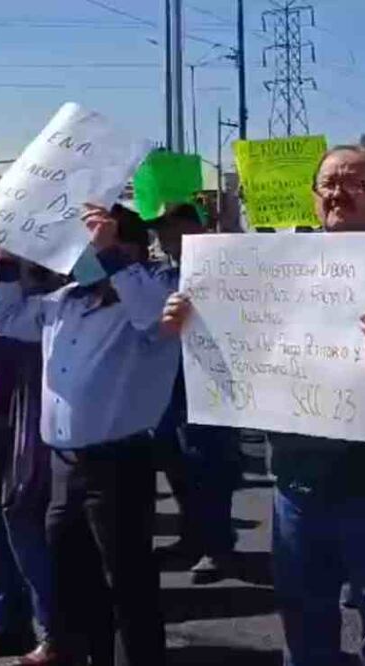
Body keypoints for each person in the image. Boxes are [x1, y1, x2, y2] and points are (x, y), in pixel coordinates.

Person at [162, 145, 365, 666]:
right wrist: (192, 321)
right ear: (314, 195)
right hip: (295, 480)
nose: (338, 194)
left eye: (354, 183)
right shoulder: (276, 264)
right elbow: (240, 340)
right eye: (328, 184)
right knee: (303, 620)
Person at [0, 204, 179, 666]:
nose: (83, 256)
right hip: (64, 464)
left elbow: (154, 317)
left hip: (118, 462)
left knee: (128, 583)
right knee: (76, 582)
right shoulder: (64, 301)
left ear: (128, 248)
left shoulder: (156, 293)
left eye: (92, 245)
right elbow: (2, 318)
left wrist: (111, 253)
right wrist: (9, 258)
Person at [151, 203, 243, 582]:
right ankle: (192, 537)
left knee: (210, 466)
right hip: (169, 385)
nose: (163, 236)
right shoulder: (161, 274)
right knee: (177, 464)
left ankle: (217, 547)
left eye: (170, 227)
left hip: (211, 383)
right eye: (160, 229)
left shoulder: (223, 269)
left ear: (193, 228)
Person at [0, 260, 66, 666]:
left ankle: (54, 631)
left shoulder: (58, 269)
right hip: (4, 402)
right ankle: (8, 616)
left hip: (35, 400)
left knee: (25, 511)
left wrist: (11, 265)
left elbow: (8, 318)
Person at [0, 251, 35, 661]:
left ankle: (19, 620)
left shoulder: (17, 266)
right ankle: (4, 613)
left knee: (12, 522)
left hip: (10, 411)